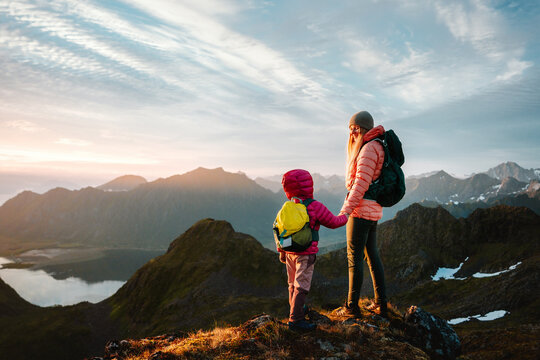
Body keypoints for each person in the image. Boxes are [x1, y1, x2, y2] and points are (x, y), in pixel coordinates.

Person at [277, 169, 348, 332]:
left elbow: (279, 230)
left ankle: (296, 311)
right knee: (302, 286)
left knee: (292, 285)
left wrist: (281, 251)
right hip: (306, 254)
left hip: (289, 253)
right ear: (309, 186)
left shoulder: (287, 208)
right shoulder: (314, 206)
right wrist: (346, 213)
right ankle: (296, 321)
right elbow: (334, 222)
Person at [339, 110, 388, 318]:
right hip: (372, 209)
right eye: (350, 129)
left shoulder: (368, 149)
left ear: (362, 128)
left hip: (360, 211)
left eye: (354, 128)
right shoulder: (377, 146)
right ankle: (380, 303)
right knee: (372, 256)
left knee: (354, 259)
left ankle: (351, 307)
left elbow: (360, 184)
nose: (351, 133)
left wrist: (345, 212)